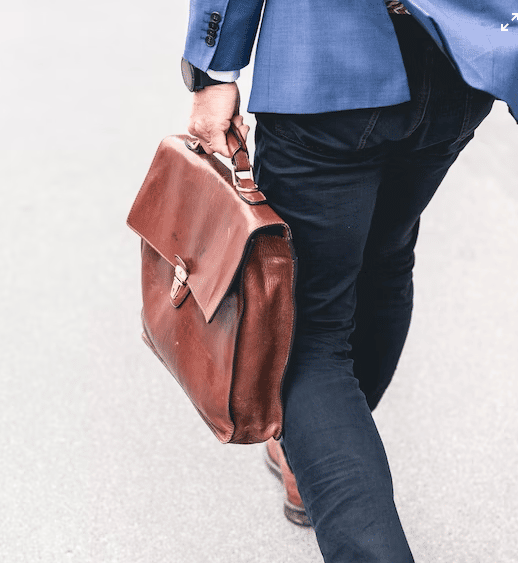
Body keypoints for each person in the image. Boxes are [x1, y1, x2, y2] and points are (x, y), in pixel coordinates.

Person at [181, 0, 517, 561]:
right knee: (385, 260)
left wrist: (215, 70)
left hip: (326, 61)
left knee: (306, 329)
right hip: (461, 64)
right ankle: (317, 447)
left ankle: (320, 447)